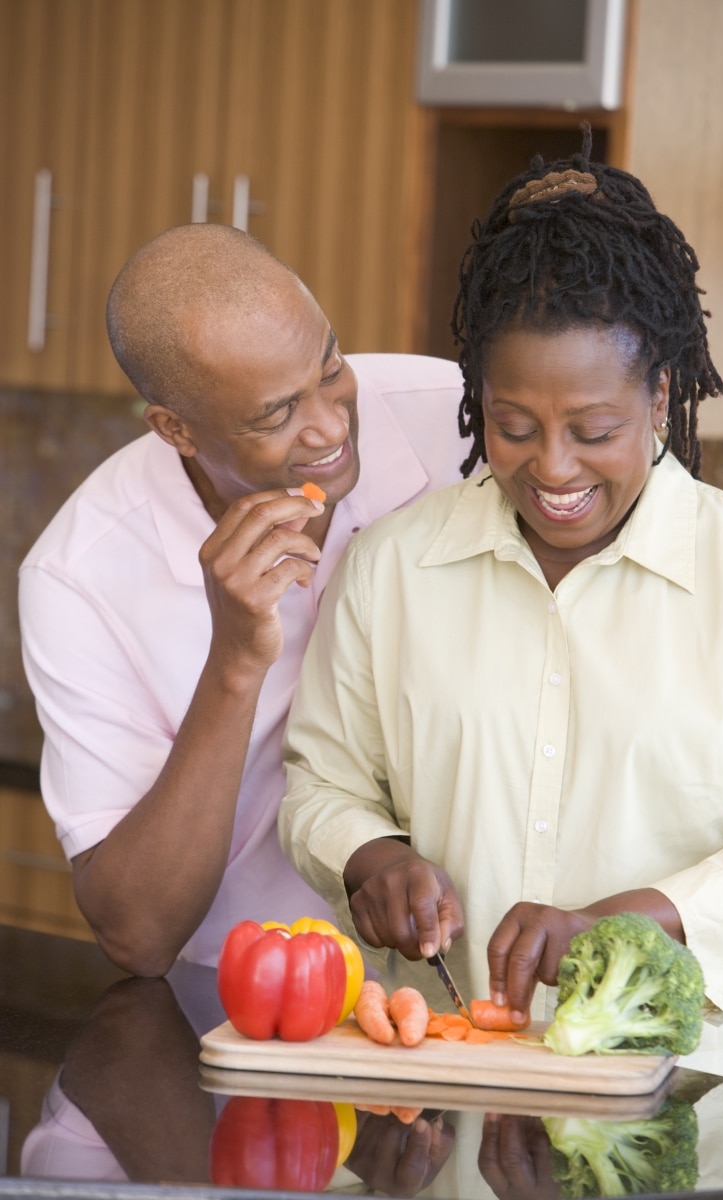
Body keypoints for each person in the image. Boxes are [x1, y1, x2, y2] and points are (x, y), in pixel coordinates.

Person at [279, 129, 723, 1090]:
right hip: (444, 1086)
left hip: (699, 1095)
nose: (552, 468)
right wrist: (371, 855)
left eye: (593, 430)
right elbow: (321, 782)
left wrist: (631, 921)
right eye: (514, 427)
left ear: (661, 396)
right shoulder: (393, 566)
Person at [18, 222, 469, 977]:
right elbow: (136, 934)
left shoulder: (458, 419)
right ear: (176, 430)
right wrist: (233, 661)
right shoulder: (79, 578)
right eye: (276, 413)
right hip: (253, 1006)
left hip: (479, 976)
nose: (330, 424)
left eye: (329, 366)